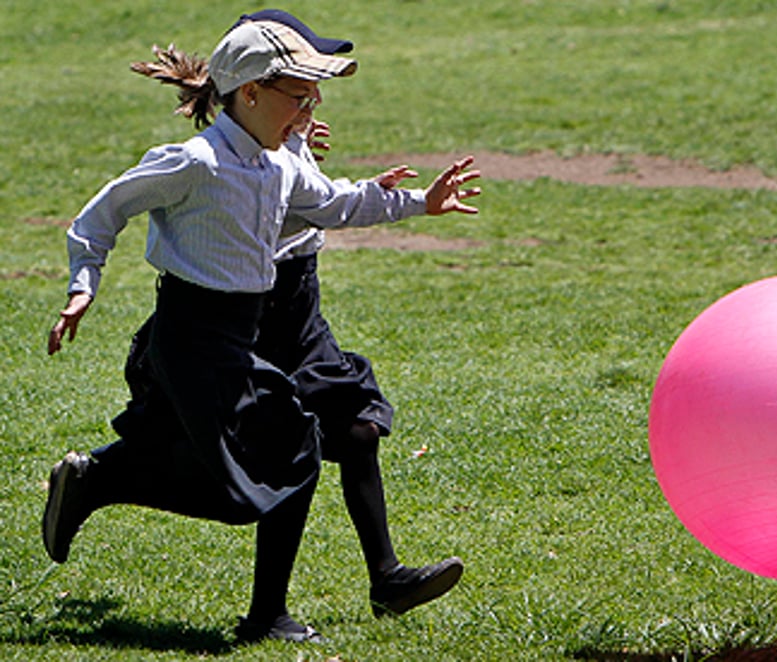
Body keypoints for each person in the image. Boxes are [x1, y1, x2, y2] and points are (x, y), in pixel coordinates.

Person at [43, 16, 480, 643]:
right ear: (249, 93)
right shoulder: (195, 162)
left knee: (281, 463)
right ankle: (104, 483)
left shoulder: (278, 165)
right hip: (192, 335)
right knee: (258, 477)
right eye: (300, 96)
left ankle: (109, 488)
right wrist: (83, 283)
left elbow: (336, 204)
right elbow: (101, 213)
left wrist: (419, 204)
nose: (312, 107)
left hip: (236, 335)